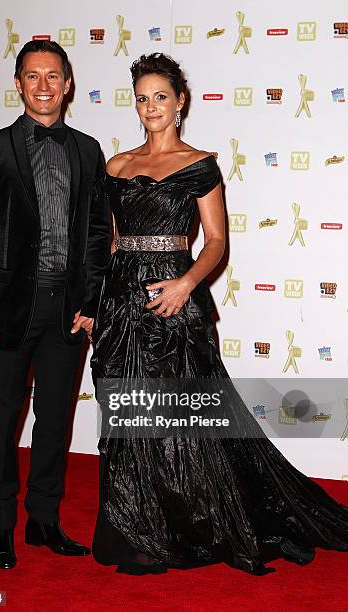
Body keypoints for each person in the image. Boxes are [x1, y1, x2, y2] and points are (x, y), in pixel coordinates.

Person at [90, 53, 348, 576]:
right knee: (124, 413)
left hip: (173, 300)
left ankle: (177, 527)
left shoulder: (199, 163)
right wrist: (94, 305)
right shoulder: (116, 165)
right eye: (142, 97)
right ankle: (133, 528)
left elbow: (216, 243)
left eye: (160, 96)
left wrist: (186, 285)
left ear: (180, 102)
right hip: (122, 303)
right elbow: (112, 242)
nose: (150, 106)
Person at [0, 40, 110, 569]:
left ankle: (44, 519)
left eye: (53, 76)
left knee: (54, 421)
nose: (44, 85)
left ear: (68, 84)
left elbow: (97, 235)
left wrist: (90, 301)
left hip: (66, 309)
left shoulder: (88, 150)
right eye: (33, 76)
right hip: (8, 311)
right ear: (18, 83)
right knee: (1, 419)